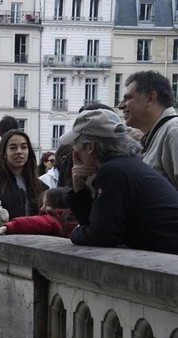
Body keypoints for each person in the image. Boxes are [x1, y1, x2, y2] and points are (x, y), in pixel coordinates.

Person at [60, 108, 178, 254]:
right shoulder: (124, 166)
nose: (74, 151)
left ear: (90, 147)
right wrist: (79, 188)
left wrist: (74, 233)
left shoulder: (113, 172)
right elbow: (96, 225)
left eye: (75, 143)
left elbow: (102, 235)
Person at [118, 71, 178, 189]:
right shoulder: (159, 133)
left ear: (150, 98)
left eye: (128, 98)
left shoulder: (173, 132)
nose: (121, 105)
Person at [0, 187, 78, 238]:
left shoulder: (53, 220)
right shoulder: (73, 221)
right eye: (42, 205)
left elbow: (35, 222)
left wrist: (7, 227)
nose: (42, 209)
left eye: (47, 205)